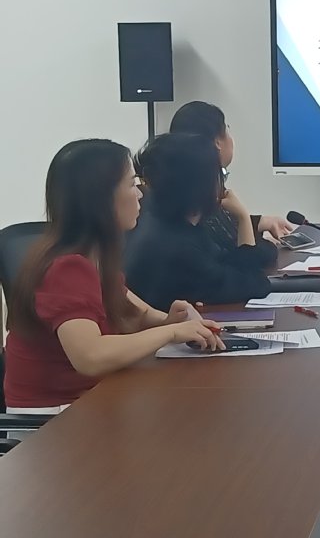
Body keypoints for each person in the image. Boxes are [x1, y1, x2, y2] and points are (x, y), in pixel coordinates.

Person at [3, 140, 223, 411]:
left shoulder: (94, 257)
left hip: (90, 400)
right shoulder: (67, 268)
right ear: (101, 199)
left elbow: (137, 312)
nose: (140, 194)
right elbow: (90, 356)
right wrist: (172, 332)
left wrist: (171, 320)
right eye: (132, 184)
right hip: (53, 418)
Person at [124, 132, 276, 311]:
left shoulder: (166, 224)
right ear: (202, 186)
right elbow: (255, 284)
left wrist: (244, 223)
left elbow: (234, 262)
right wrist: (242, 216)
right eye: (220, 175)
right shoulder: (180, 249)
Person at [169, 101, 293, 246]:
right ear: (217, 143)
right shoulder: (203, 193)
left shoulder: (181, 184)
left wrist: (261, 222)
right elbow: (246, 254)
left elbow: (222, 226)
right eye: (227, 129)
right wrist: (243, 218)